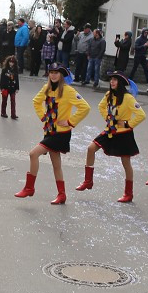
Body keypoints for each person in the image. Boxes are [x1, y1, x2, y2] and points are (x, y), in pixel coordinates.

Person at [15, 62, 91, 205]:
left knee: (33, 154)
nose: (54, 75)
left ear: (61, 75)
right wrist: (43, 117)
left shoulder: (68, 91)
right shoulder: (46, 88)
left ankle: (29, 187)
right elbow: (36, 102)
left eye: (57, 72)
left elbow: (85, 108)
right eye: (51, 72)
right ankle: (62, 194)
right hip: (49, 131)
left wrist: (70, 121)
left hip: (61, 134)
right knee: (56, 165)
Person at [76, 72, 145, 202]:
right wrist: (109, 119)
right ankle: (88, 181)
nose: (112, 82)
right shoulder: (109, 95)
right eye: (111, 80)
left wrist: (127, 124)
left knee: (126, 163)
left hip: (124, 134)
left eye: (115, 80)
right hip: (110, 130)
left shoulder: (128, 98)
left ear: (121, 83)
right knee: (91, 148)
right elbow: (101, 107)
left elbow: (141, 115)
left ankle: (128, 193)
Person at [0, 55, 20, 119]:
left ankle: (13, 114)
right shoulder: (5, 70)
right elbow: (2, 79)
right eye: (10, 62)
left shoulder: (15, 70)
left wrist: (17, 88)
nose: (11, 63)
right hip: (5, 87)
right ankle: (3, 112)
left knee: (13, 101)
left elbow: (17, 79)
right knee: (4, 101)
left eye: (13, 62)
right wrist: (1, 88)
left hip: (13, 87)